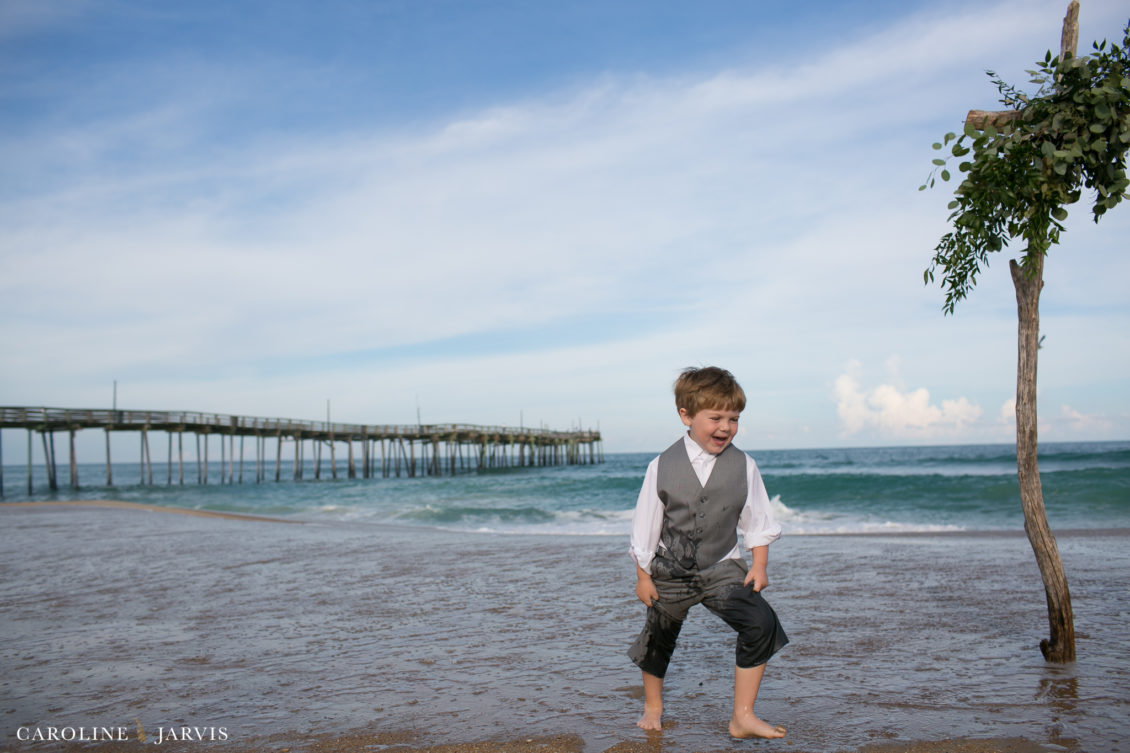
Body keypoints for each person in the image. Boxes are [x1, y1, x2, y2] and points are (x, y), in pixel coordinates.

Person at [628, 366, 788, 739]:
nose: (726, 427)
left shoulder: (744, 465)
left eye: (734, 419)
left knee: (761, 623)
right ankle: (653, 706)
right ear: (686, 415)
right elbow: (646, 525)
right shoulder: (661, 466)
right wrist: (642, 575)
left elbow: (757, 519)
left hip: (722, 566)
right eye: (716, 418)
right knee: (657, 637)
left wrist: (760, 564)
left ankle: (743, 716)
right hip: (671, 568)